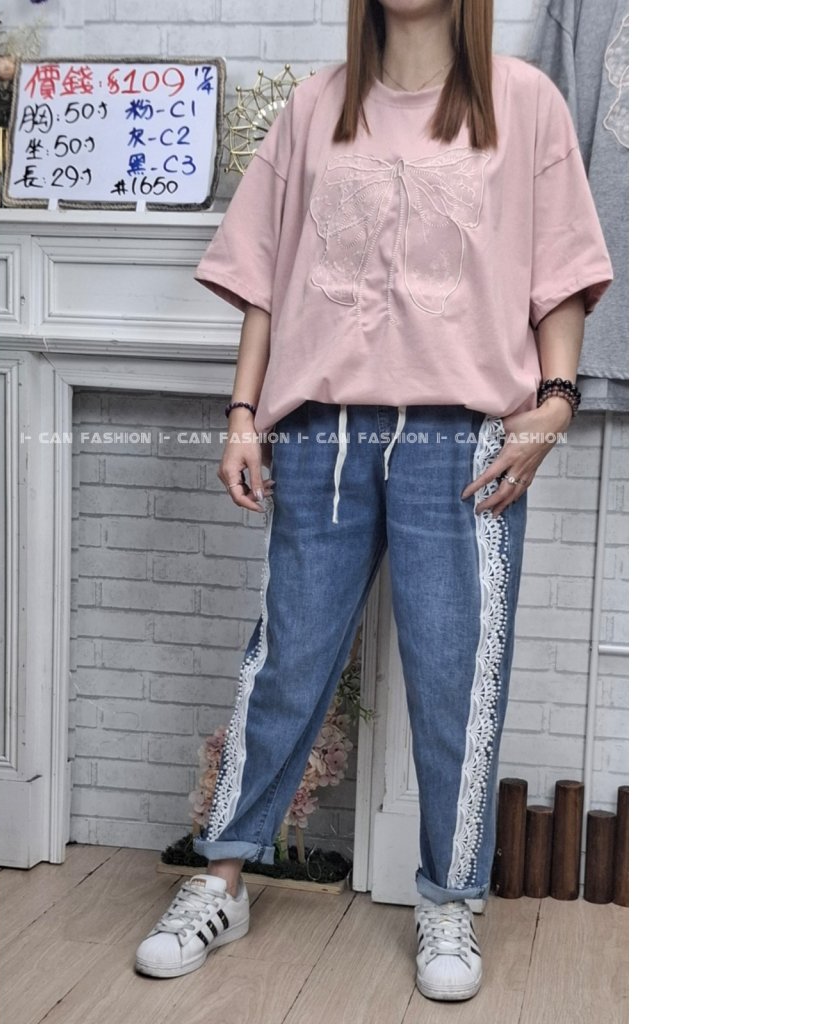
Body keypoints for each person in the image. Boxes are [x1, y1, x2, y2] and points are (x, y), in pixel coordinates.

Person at [135, 0, 612, 1002]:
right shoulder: (315, 108)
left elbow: (561, 270)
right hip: (323, 431)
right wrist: (241, 412)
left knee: (456, 677)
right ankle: (221, 878)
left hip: (464, 438)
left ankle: (450, 898)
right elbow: (266, 280)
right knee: (287, 661)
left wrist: (555, 402)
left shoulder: (525, 103)